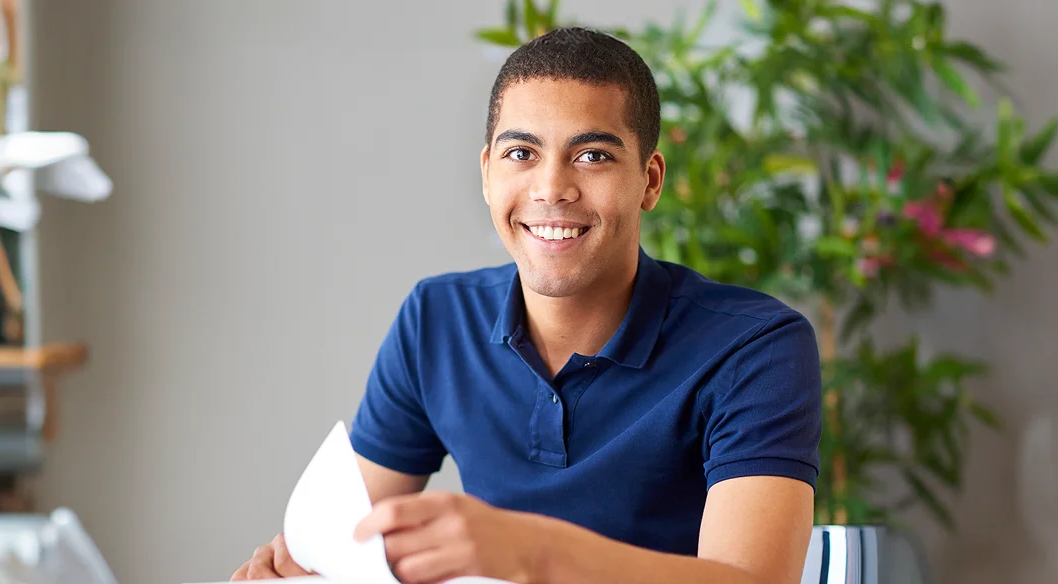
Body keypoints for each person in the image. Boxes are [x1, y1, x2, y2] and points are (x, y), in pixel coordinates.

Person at [232, 26, 821, 584]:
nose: (551, 188)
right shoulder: (435, 320)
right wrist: (305, 572)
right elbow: (356, 545)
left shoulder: (755, 345)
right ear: (487, 174)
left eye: (593, 155)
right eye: (521, 153)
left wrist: (529, 551)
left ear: (650, 179)